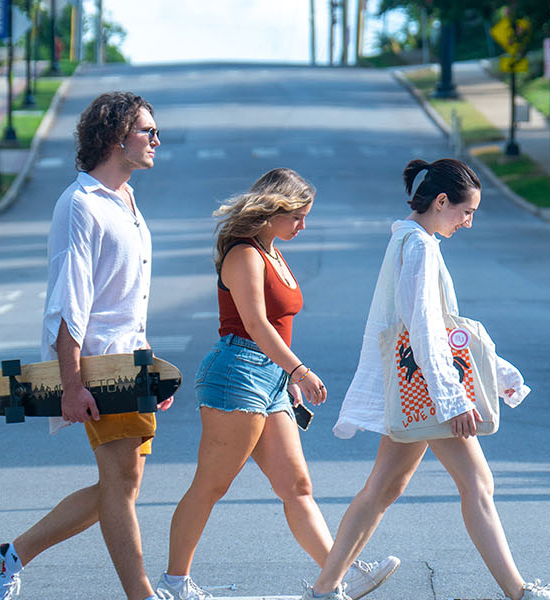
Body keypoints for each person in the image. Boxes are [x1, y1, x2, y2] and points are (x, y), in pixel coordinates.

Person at [299, 159, 550, 600]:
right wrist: (453, 400)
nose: (468, 223)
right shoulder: (420, 247)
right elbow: (425, 329)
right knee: (476, 483)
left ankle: (324, 589)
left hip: (416, 390)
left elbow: (444, 331)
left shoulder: (410, 240)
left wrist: (498, 372)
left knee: (382, 489)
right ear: (442, 201)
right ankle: (520, 593)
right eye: (466, 212)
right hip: (429, 392)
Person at [158, 169, 399, 600]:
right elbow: (255, 323)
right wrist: (298, 371)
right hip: (237, 371)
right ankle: (174, 583)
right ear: (273, 211)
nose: (304, 226)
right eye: (298, 217)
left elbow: (279, 325)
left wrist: (283, 376)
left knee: (296, 487)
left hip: (268, 377)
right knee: (212, 484)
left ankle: (336, 575)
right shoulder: (244, 254)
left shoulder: (273, 252)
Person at [0, 91, 173, 600]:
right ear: (115, 137)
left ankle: (7, 557)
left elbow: (128, 299)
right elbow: (70, 302)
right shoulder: (80, 205)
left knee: (121, 488)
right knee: (120, 488)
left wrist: (150, 368)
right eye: (147, 130)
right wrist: (70, 383)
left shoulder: (127, 202)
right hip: (99, 367)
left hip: (128, 364)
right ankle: (143, 595)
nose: (157, 139)